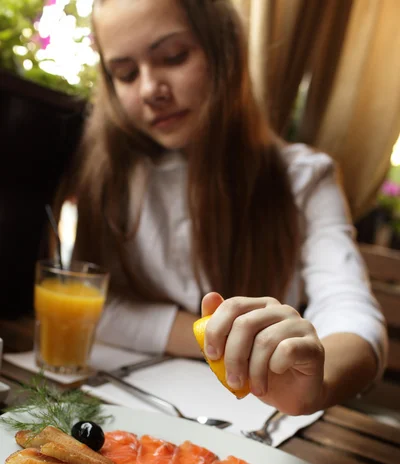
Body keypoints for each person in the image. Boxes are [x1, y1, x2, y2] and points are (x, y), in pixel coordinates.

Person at [66, 0, 387, 416]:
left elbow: (349, 309)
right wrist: (216, 343)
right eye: (125, 73)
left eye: (173, 57)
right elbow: (87, 299)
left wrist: (317, 383)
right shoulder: (112, 174)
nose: (150, 89)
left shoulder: (304, 177)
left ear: (226, 51)